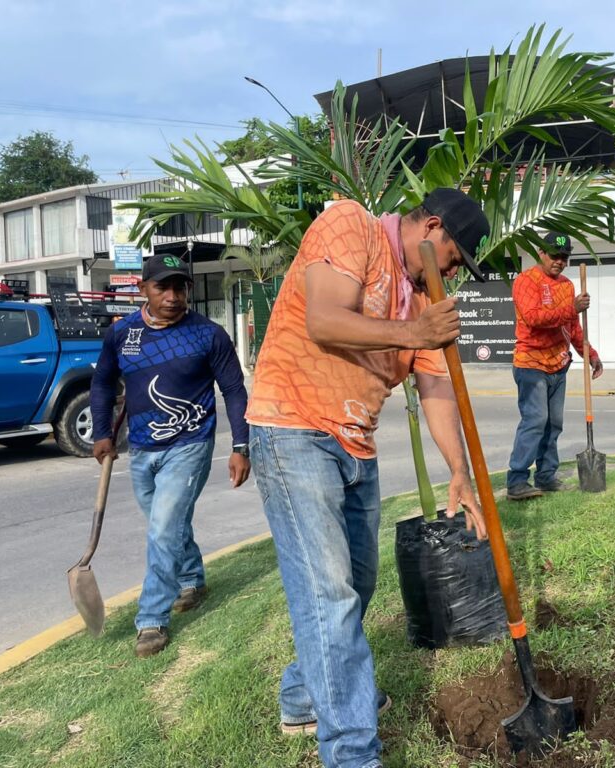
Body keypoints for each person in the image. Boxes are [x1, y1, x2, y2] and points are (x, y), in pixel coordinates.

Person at [245, 188, 490, 768]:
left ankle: (306, 696)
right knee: (328, 597)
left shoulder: (425, 296)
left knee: (355, 585)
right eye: (455, 255)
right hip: (292, 428)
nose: (453, 270)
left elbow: (434, 386)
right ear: (431, 226)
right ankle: (353, 753)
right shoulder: (350, 225)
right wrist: (415, 334)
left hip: (356, 442)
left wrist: (458, 472)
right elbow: (325, 319)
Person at [90, 253, 251, 658]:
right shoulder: (122, 334)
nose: (173, 296)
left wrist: (240, 446)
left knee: (163, 527)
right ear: (143, 289)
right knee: (168, 524)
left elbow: (234, 390)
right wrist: (101, 431)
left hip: (191, 444)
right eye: (163, 286)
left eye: (181, 287)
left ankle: (151, 620)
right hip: (142, 447)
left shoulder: (208, 335)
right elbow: (103, 383)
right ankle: (192, 579)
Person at [506, 232, 604, 500]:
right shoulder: (526, 281)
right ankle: (516, 481)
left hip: (558, 365)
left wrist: (590, 354)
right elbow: (534, 318)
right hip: (531, 363)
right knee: (535, 420)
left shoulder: (567, 286)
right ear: (541, 253)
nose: (559, 261)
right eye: (554, 255)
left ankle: (546, 476)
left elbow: (572, 328)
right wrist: (571, 308)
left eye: (564, 257)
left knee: (554, 424)